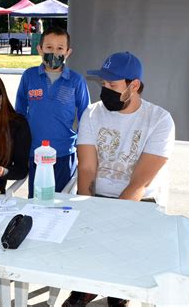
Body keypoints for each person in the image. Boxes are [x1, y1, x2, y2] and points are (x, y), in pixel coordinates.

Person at [63, 52, 175, 307]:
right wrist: (88, 211)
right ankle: (88, 284)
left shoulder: (159, 120)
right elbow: (87, 169)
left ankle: (117, 287)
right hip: (98, 196)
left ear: (133, 86)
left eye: (112, 86)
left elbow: (140, 183)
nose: (105, 91)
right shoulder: (92, 113)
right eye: (103, 84)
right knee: (82, 231)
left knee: (121, 241)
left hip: (140, 200)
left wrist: (110, 219)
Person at [15, 26, 90, 198]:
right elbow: (19, 113)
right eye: (49, 47)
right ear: (40, 49)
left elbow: (86, 118)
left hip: (64, 153)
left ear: (68, 52)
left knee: (61, 200)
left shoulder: (76, 81)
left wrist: (83, 152)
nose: (54, 52)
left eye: (59, 48)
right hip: (35, 153)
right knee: (37, 199)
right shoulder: (29, 76)